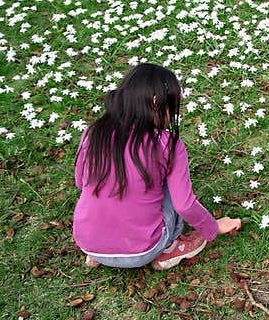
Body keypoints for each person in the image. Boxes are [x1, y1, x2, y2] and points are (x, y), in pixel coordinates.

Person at [72, 63, 241, 270]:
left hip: (89, 244)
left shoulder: (93, 132)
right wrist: (212, 227)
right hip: (143, 250)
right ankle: (169, 248)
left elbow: (81, 182)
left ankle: (101, 252)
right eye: (173, 106)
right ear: (155, 102)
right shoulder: (167, 143)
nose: (173, 116)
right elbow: (184, 205)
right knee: (171, 185)